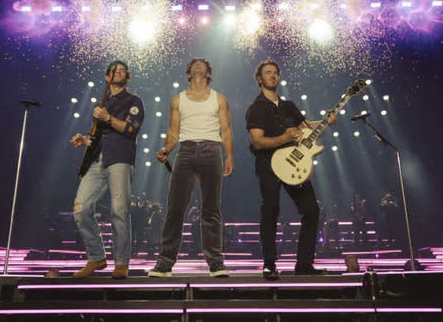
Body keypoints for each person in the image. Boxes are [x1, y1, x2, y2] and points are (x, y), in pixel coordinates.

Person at [245, 60, 337, 279]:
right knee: (271, 210)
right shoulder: (256, 108)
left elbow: (307, 128)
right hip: (268, 165)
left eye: (276, 72)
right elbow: (257, 141)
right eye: (268, 73)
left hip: (295, 163)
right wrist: (284, 137)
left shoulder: (289, 106)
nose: (273, 76)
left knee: (311, 210)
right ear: (259, 79)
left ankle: (304, 264)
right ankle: (269, 264)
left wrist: (326, 121)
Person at [150, 58, 234, 278]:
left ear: (208, 72)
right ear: (188, 73)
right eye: (193, 64)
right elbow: (173, 132)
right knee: (175, 208)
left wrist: (230, 156)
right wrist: (167, 149)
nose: (197, 65)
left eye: (201, 64)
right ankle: (165, 263)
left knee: (211, 209)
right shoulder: (178, 100)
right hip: (185, 151)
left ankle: (215, 263)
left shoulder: (219, 99)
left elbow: (226, 131)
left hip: (212, 150)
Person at [69, 61, 145, 279]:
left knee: (119, 210)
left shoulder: (133, 101)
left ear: (127, 78)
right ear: (107, 77)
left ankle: (121, 263)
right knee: (81, 208)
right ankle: (96, 257)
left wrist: (108, 118)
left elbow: (131, 129)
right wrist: (84, 139)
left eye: (122, 71)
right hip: (96, 159)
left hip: (120, 158)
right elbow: (97, 136)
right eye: (114, 70)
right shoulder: (102, 102)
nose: (118, 73)